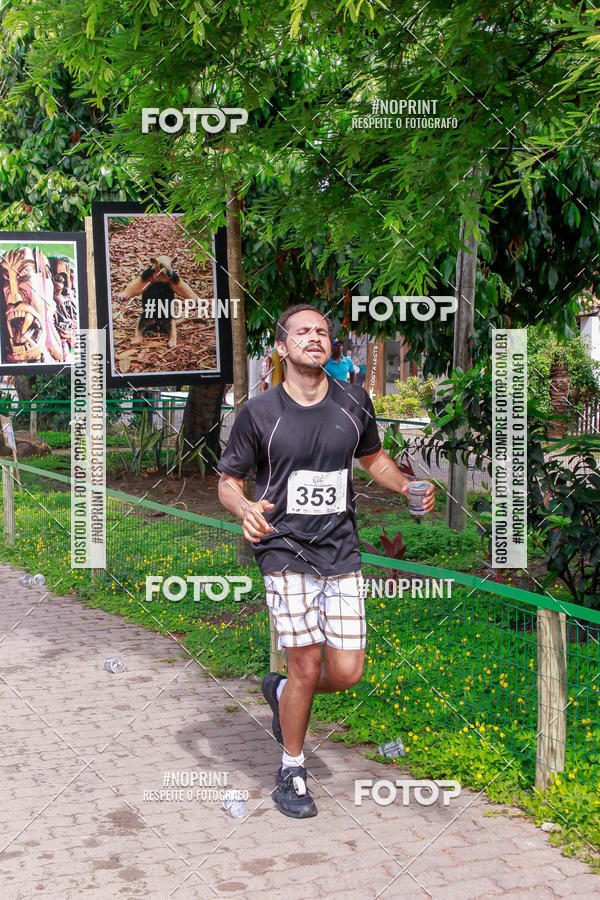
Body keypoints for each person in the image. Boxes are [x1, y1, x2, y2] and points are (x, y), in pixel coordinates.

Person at [216, 304, 435, 819]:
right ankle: (291, 768)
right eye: (302, 332)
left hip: (340, 549)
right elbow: (228, 482)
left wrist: (406, 484)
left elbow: (372, 457)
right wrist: (244, 507)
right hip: (284, 548)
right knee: (307, 662)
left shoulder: (353, 402)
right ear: (280, 346)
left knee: (346, 669)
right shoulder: (259, 412)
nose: (314, 338)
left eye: (322, 331)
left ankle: (282, 691)